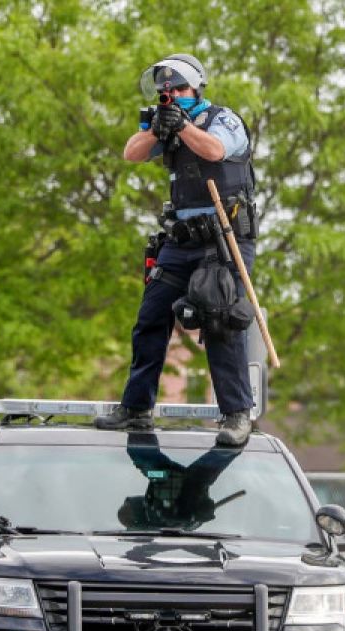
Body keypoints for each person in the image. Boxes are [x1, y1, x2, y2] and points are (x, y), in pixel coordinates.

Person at [95, 53, 257, 446]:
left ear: (196, 88)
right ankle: (136, 407)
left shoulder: (222, 119)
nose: (173, 95)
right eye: (167, 90)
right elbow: (132, 152)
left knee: (220, 321)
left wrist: (183, 125)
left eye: (180, 88)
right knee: (151, 316)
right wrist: (157, 130)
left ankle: (236, 415)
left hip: (223, 239)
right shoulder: (162, 121)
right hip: (181, 239)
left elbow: (216, 151)